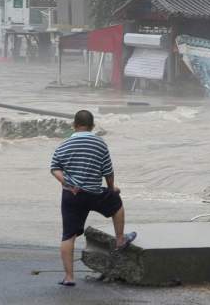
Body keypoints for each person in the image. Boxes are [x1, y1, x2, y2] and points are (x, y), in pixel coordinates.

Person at [50, 110, 136, 287]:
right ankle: (120, 239)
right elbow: (108, 171)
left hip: (71, 195)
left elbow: (54, 167)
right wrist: (112, 189)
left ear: (74, 125)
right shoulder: (99, 143)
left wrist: (66, 182)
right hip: (94, 193)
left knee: (68, 236)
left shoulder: (65, 144)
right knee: (117, 204)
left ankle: (69, 278)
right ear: (92, 126)